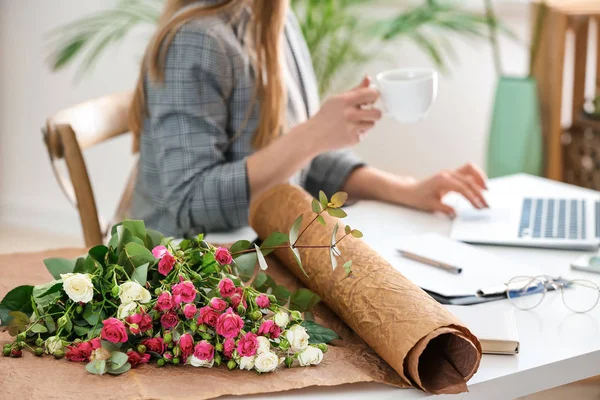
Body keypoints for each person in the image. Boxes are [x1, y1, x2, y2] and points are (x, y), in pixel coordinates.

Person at [129, 0, 489, 237]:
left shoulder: (274, 19)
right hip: (180, 275)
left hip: (253, 244)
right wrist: (312, 135)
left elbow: (295, 164)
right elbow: (190, 203)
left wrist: (405, 190)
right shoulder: (198, 40)